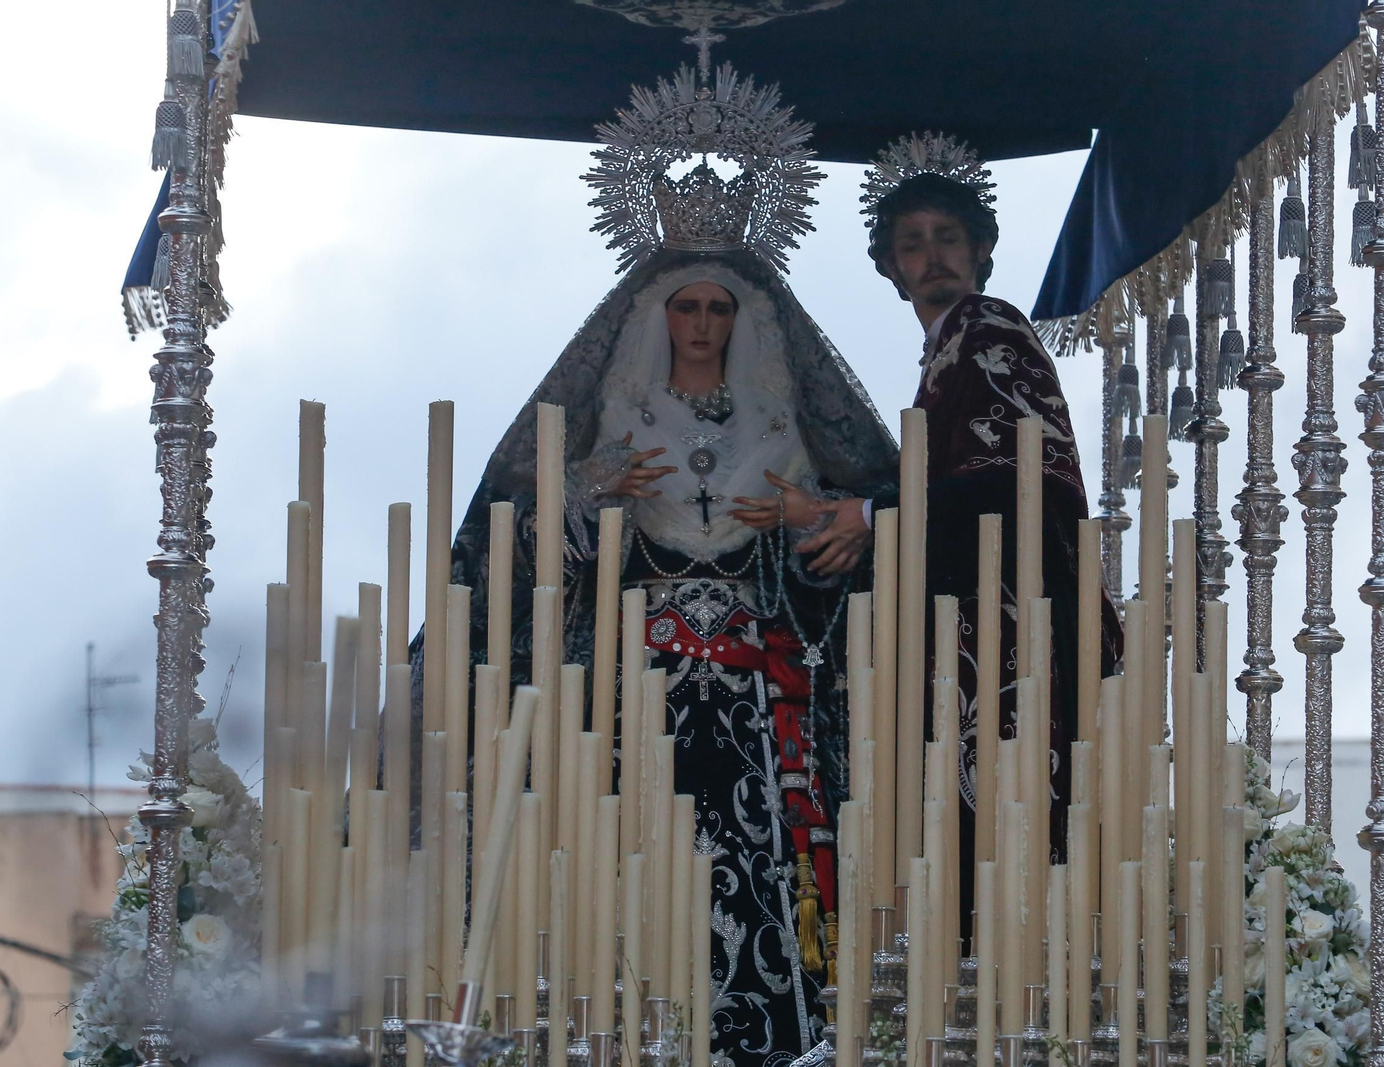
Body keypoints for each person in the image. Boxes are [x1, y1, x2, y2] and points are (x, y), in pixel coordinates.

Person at [412, 248, 897, 1066]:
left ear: (742, 320)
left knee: (763, 859)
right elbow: (512, 552)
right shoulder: (611, 427)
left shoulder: (780, 432)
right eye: (687, 306)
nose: (702, 324)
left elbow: (840, 577)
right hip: (630, 687)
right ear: (657, 317)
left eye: (718, 308)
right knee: (621, 839)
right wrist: (584, 498)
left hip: (757, 692)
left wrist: (804, 524)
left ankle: (777, 1035)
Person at [819, 141, 1123, 938]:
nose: (931, 258)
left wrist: (868, 516)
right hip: (983, 631)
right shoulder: (946, 350)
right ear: (891, 268)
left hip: (1008, 635)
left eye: (947, 237)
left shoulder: (987, 326)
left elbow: (1005, 481)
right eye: (912, 244)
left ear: (982, 248)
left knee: (996, 836)